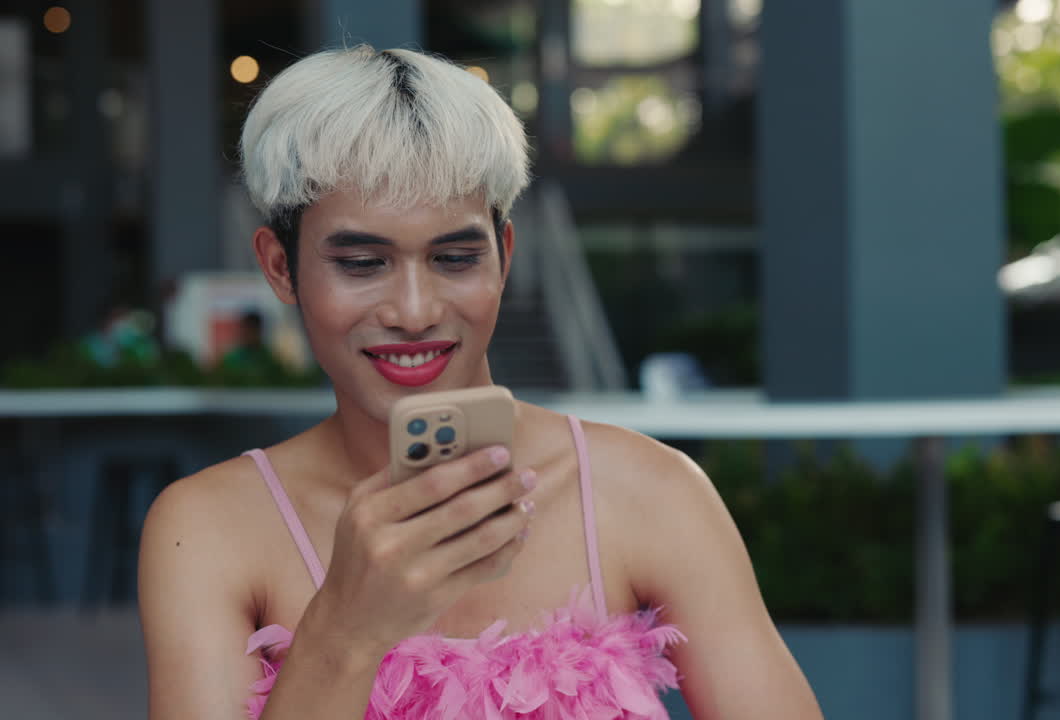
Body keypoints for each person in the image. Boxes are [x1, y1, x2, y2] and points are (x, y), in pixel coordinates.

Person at [138, 45, 822, 720]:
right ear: (280, 267)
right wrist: (345, 628)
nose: (414, 311)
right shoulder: (210, 528)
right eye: (362, 263)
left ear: (505, 256)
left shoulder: (649, 493)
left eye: (456, 257)